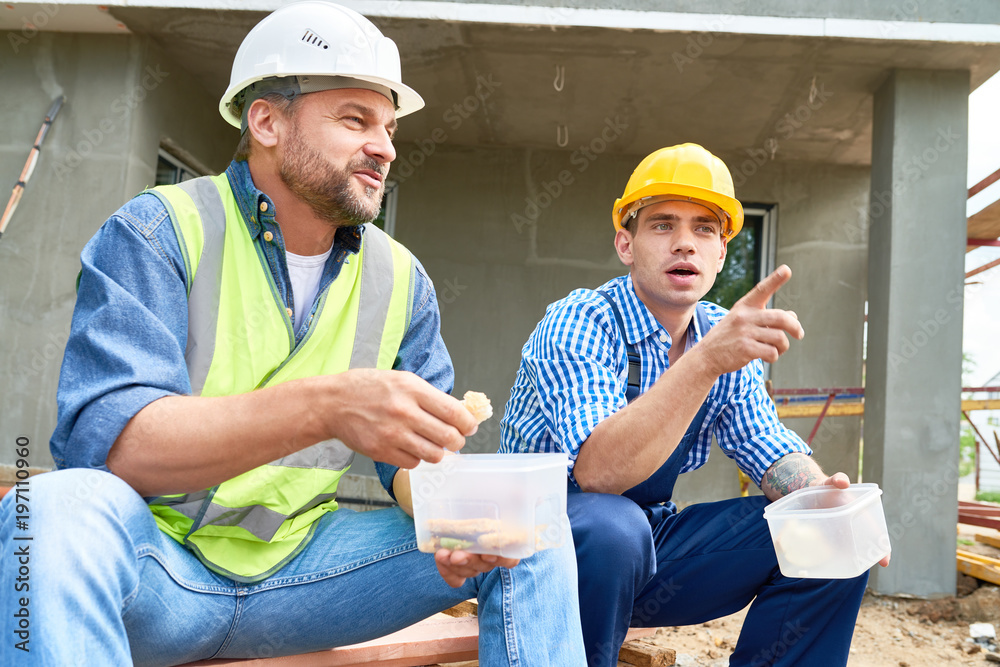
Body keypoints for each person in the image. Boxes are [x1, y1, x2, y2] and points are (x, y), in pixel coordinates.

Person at [0, 3, 585, 665]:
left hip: (308, 577)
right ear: (268, 121)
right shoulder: (160, 231)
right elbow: (118, 449)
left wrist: (450, 519)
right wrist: (328, 405)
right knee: (47, 510)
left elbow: (415, 463)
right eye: (354, 119)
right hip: (156, 572)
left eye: (389, 128)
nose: (385, 147)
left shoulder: (400, 278)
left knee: (526, 526)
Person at [499, 143, 888, 667]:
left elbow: (766, 447)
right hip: (537, 549)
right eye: (662, 225)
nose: (685, 243)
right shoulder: (582, 321)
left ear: (721, 253)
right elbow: (599, 474)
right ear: (625, 244)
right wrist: (704, 363)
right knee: (614, 526)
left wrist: (824, 499)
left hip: (645, 548)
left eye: (704, 228)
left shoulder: (716, 333)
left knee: (827, 539)